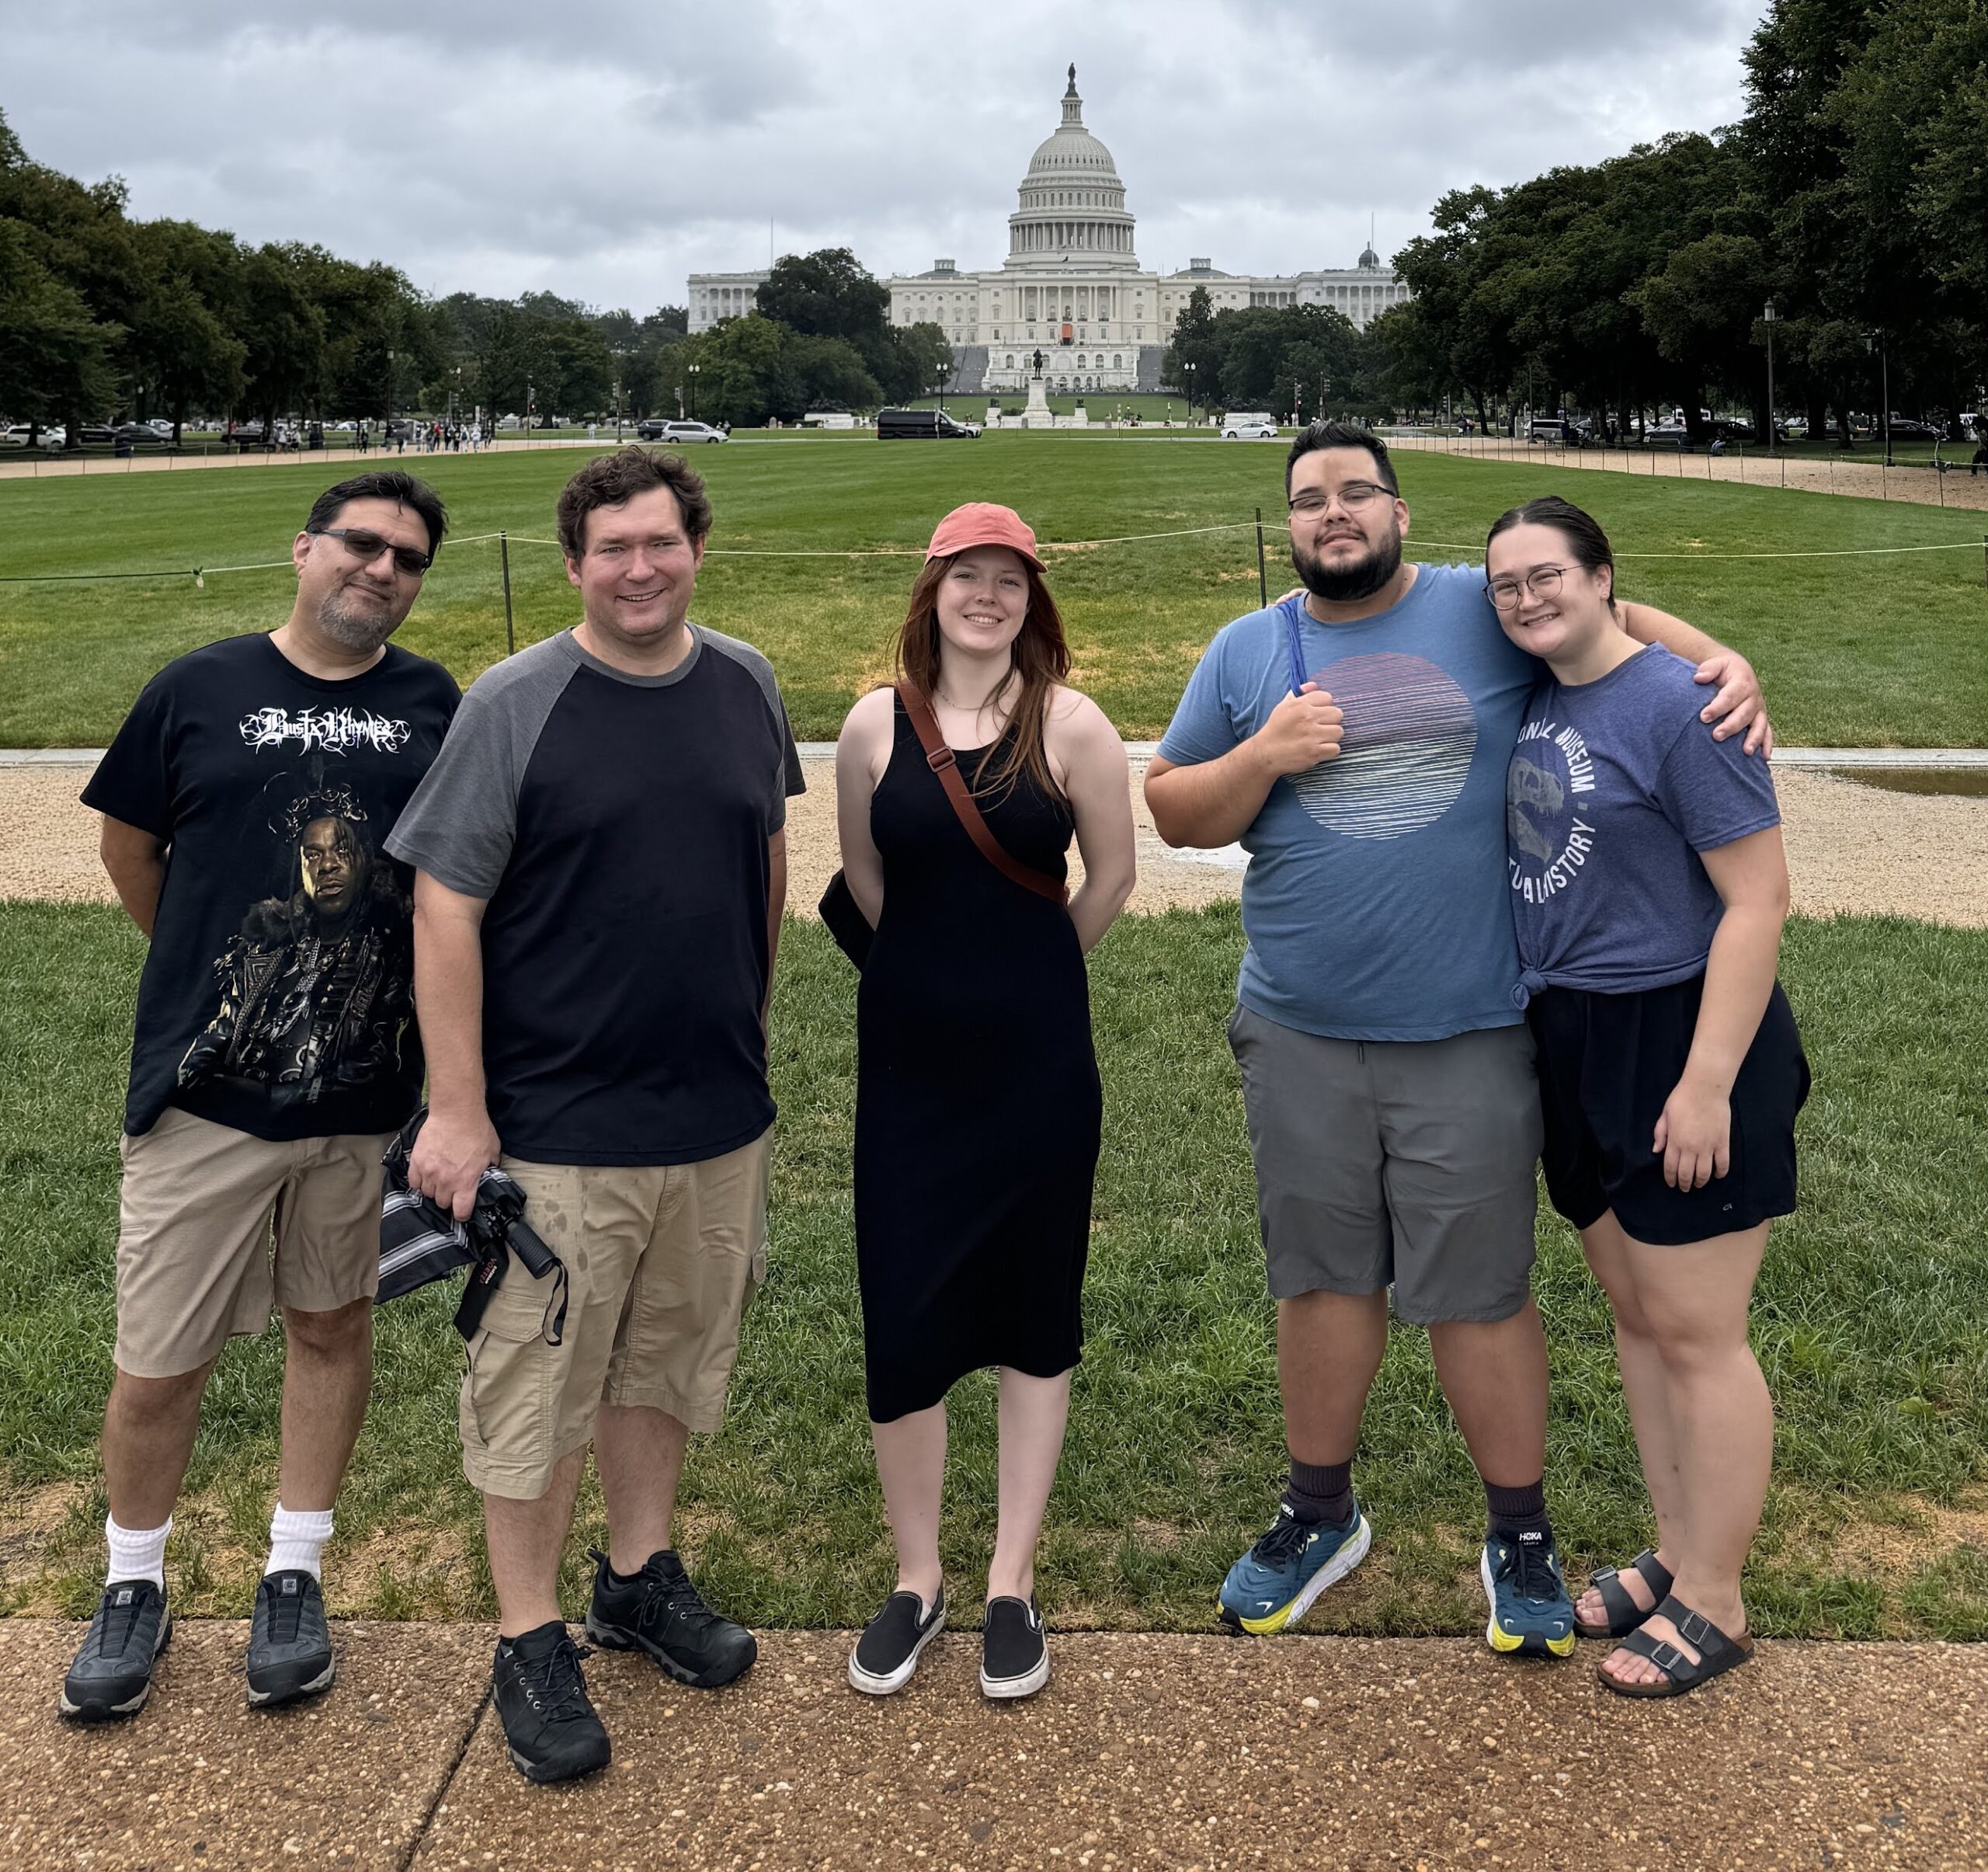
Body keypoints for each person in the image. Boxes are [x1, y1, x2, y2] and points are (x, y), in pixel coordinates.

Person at [1143, 421, 1773, 1661]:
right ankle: (1318, 1511)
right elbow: (1170, 808)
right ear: (1291, 521)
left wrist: (1725, 658)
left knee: (1480, 1294)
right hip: (1300, 1026)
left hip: (1474, 1025)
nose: (1335, 513)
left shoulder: (1479, 613)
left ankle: (1521, 1535)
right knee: (1320, 1280)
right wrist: (1266, 753)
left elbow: (1612, 616)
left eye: (1358, 493)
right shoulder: (1245, 649)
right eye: (1312, 497)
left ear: (1400, 513)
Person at [386, 447, 805, 1785]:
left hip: (712, 1114)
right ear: (574, 563)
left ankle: (635, 1573)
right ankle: (528, 1631)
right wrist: (458, 1110)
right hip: (556, 1119)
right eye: (613, 547)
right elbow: (442, 902)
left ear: (696, 549)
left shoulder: (744, 680)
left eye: (662, 543)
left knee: (664, 1366)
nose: (640, 568)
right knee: (535, 1390)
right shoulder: (519, 700)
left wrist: (744, 1020)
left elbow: (767, 853)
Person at [62, 471, 457, 1723]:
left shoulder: (429, 703)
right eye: (361, 543)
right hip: (207, 1095)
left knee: (333, 1325)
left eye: (407, 556)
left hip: (360, 1095)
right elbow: (132, 851)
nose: (382, 568)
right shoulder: (199, 686)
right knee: (158, 1357)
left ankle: (296, 1566)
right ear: (304, 549)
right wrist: (211, 982)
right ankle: (133, 1578)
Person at [1487, 495, 1806, 1696]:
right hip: (1569, 1028)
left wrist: (1709, 1081)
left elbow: (1758, 900)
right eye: (1506, 583)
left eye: (1548, 576)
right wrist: (1700, 634)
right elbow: (1595, 626)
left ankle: (1717, 1598)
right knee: (1635, 1315)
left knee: (1699, 1331)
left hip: (1679, 1029)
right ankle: (1676, 1551)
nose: (1525, 598)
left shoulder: (1684, 708)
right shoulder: (1546, 691)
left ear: (1603, 576)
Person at [833, 504, 1135, 1702]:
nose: (989, 596)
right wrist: (942, 973)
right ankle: (919, 1576)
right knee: (904, 1311)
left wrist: (1026, 971)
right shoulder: (871, 724)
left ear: (1033, 598)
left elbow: (1110, 876)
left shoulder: (1072, 722)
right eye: (969, 575)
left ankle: (1011, 1577)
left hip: (1035, 1064)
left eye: (1009, 580)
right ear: (934, 588)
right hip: (909, 1063)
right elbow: (866, 877)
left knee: (1031, 1308)